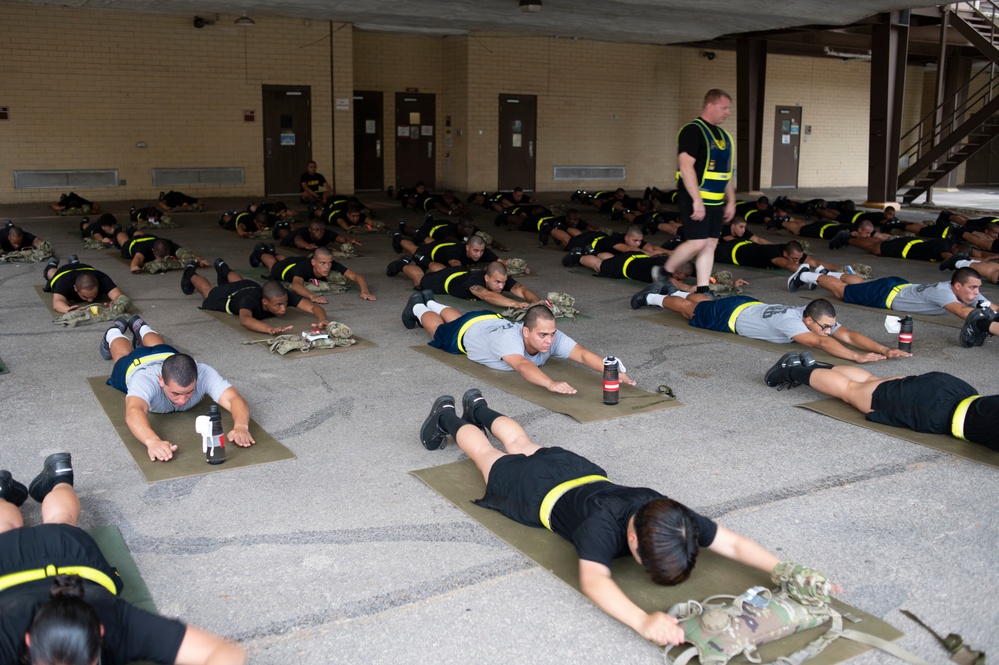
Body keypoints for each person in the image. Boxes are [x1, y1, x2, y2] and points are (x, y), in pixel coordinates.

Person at [417, 388, 840, 645]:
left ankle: (478, 409)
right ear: (632, 543)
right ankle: (450, 416)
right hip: (538, 492)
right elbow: (595, 581)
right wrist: (642, 620)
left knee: (519, 440)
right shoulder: (602, 529)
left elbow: (730, 542)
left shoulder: (672, 515)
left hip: (576, 471)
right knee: (487, 453)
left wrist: (785, 568)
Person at [0, 454, 247, 665]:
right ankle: (58, 478)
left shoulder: (118, 624)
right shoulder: (6, 634)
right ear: (29, 641)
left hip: (40, 561)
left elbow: (225, 653)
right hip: (57, 553)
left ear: (100, 634)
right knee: (58, 521)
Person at [631, 270, 908, 363]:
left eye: (829, 326)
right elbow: (823, 343)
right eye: (823, 327)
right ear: (809, 321)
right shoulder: (793, 323)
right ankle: (653, 297)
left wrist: (883, 348)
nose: (828, 331)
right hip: (730, 316)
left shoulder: (810, 316)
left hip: (748, 304)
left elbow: (846, 334)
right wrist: (857, 357)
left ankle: (672, 289)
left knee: (699, 300)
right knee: (688, 310)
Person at [764, 351, 998, 451]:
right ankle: (792, 370)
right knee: (851, 391)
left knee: (871, 381)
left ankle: (812, 366)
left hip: (957, 390)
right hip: (936, 407)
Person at [98, 316, 255, 462]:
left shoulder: (203, 372)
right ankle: (113, 332)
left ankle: (141, 327)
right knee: (122, 354)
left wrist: (241, 426)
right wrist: (152, 441)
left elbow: (234, 399)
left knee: (160, 347)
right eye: (175, 393)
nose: (182, 400)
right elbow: (134, 411)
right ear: (161, 380)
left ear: (196, 378)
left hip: (168, 355)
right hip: (135, 364)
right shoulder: (144, 380)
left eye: (189, 392)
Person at [405, 299, 633, 394]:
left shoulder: (550, 336)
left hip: (487, 319)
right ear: (526, 331)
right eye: (543, 335)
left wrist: (612, 370)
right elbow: (523, 365)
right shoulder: (510, 342)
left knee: (459, 317)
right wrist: (550, 383)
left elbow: (582, 355)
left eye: (552, 334)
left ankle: (431, 301)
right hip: (464, 333)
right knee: (438, 331)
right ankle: (418, 306)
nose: (549, 340)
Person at [662, 89, 735, 295]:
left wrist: (731, 201)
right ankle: (663, 271)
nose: (727, 112)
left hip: (715, 201)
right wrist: (697, 200)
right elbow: (686, 167)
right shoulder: (692, 131)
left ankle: (703, 287)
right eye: (724, 107)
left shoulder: (724, 136)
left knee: (710, 243)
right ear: (710, 106)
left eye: (729, 108)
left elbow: (726, 174)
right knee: (697, 242)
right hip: (694, 197)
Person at [800, 266, 999, 334]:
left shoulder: (965, 291)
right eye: (973, 288)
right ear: (958, 286)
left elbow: (993, 307)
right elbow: (964, 313)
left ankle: (828, 273)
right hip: (886, 295)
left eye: (978, 288)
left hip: (897, 286)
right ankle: (806, 275)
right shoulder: (944, 293)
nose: (976, 293)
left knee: (859, 284)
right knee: (843, 293)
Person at [181, 258, 330, 334]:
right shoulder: (249, 300)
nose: (284, 308)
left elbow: (313, 307)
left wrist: (322, 319)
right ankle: (190, 272)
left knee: (241, 281)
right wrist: (269, 329)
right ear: (264, 302)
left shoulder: (280, 294)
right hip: (230, 295)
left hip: (249, 285)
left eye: (285, 303)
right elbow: (245, 320)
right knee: (208, 291)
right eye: (278, 305)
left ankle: (223, 268)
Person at [254, 245, 377, 303]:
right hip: (285, 269)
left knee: (286, 258)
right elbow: (296, 285)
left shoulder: (329, 264)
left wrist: (364, 291)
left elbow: (357, 276)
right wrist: (313, 296)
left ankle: (274, 252)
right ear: (314, 262)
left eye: (329, 263)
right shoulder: (304, 268)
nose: (327, 267)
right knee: (272, 265)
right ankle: (260, 252)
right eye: (323, 263)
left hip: (297, 261)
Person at [388, 236, 499, 287]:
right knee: (413, 250)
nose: (479, 254)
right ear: (468, 248)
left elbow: (501, 261)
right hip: (432, 250)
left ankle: (420, 236)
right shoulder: (454, 254)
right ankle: (398, 238)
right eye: (476, 251)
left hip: (445, 243)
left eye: (481, 251)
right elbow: (455, 266)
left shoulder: (481, 249)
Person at [418, 262, 539, 309]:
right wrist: (516, 303)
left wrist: (537, 303)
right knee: (419, 279)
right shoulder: (474, 281)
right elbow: (487, 296)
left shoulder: (501, 278)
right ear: (487, 278)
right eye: (497, 282)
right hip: (443, 281)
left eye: (504, 282)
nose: (502, 287)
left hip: (462, 270)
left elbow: (521, 290)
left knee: (441, 268)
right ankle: (402, 264)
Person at [42, 258, 126, 314]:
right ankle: (51, 265)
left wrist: (117, 304)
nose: (90, 300)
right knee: (52, 275)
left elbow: (119, 296)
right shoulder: (64, 282)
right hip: (64, 272)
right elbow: (57, 303)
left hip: (85, 268)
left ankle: (74, 262)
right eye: (85, 297)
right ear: (75, 288)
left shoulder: (101, 277)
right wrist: (67, 309)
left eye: (94, 295)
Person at [120, 234, 206, 274]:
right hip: (131, 244)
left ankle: (133, 231)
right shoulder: (144, 249)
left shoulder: (169, 244)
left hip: (150, 237)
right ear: (152, 251)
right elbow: (137, 258)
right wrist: (134, 267)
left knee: (138, 233)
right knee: (124, 241)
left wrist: (200, 260)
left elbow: (185, 253)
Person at [280, 219, 359, 252]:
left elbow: (340, 238)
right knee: (284, 232)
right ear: (310, 230)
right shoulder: (303, 232)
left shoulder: (326, 232)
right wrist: (307, 245)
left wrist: (349, 240)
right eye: (316, 230)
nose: (320, 232)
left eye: (322, 230)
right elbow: (297, 240)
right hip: (289, 239)